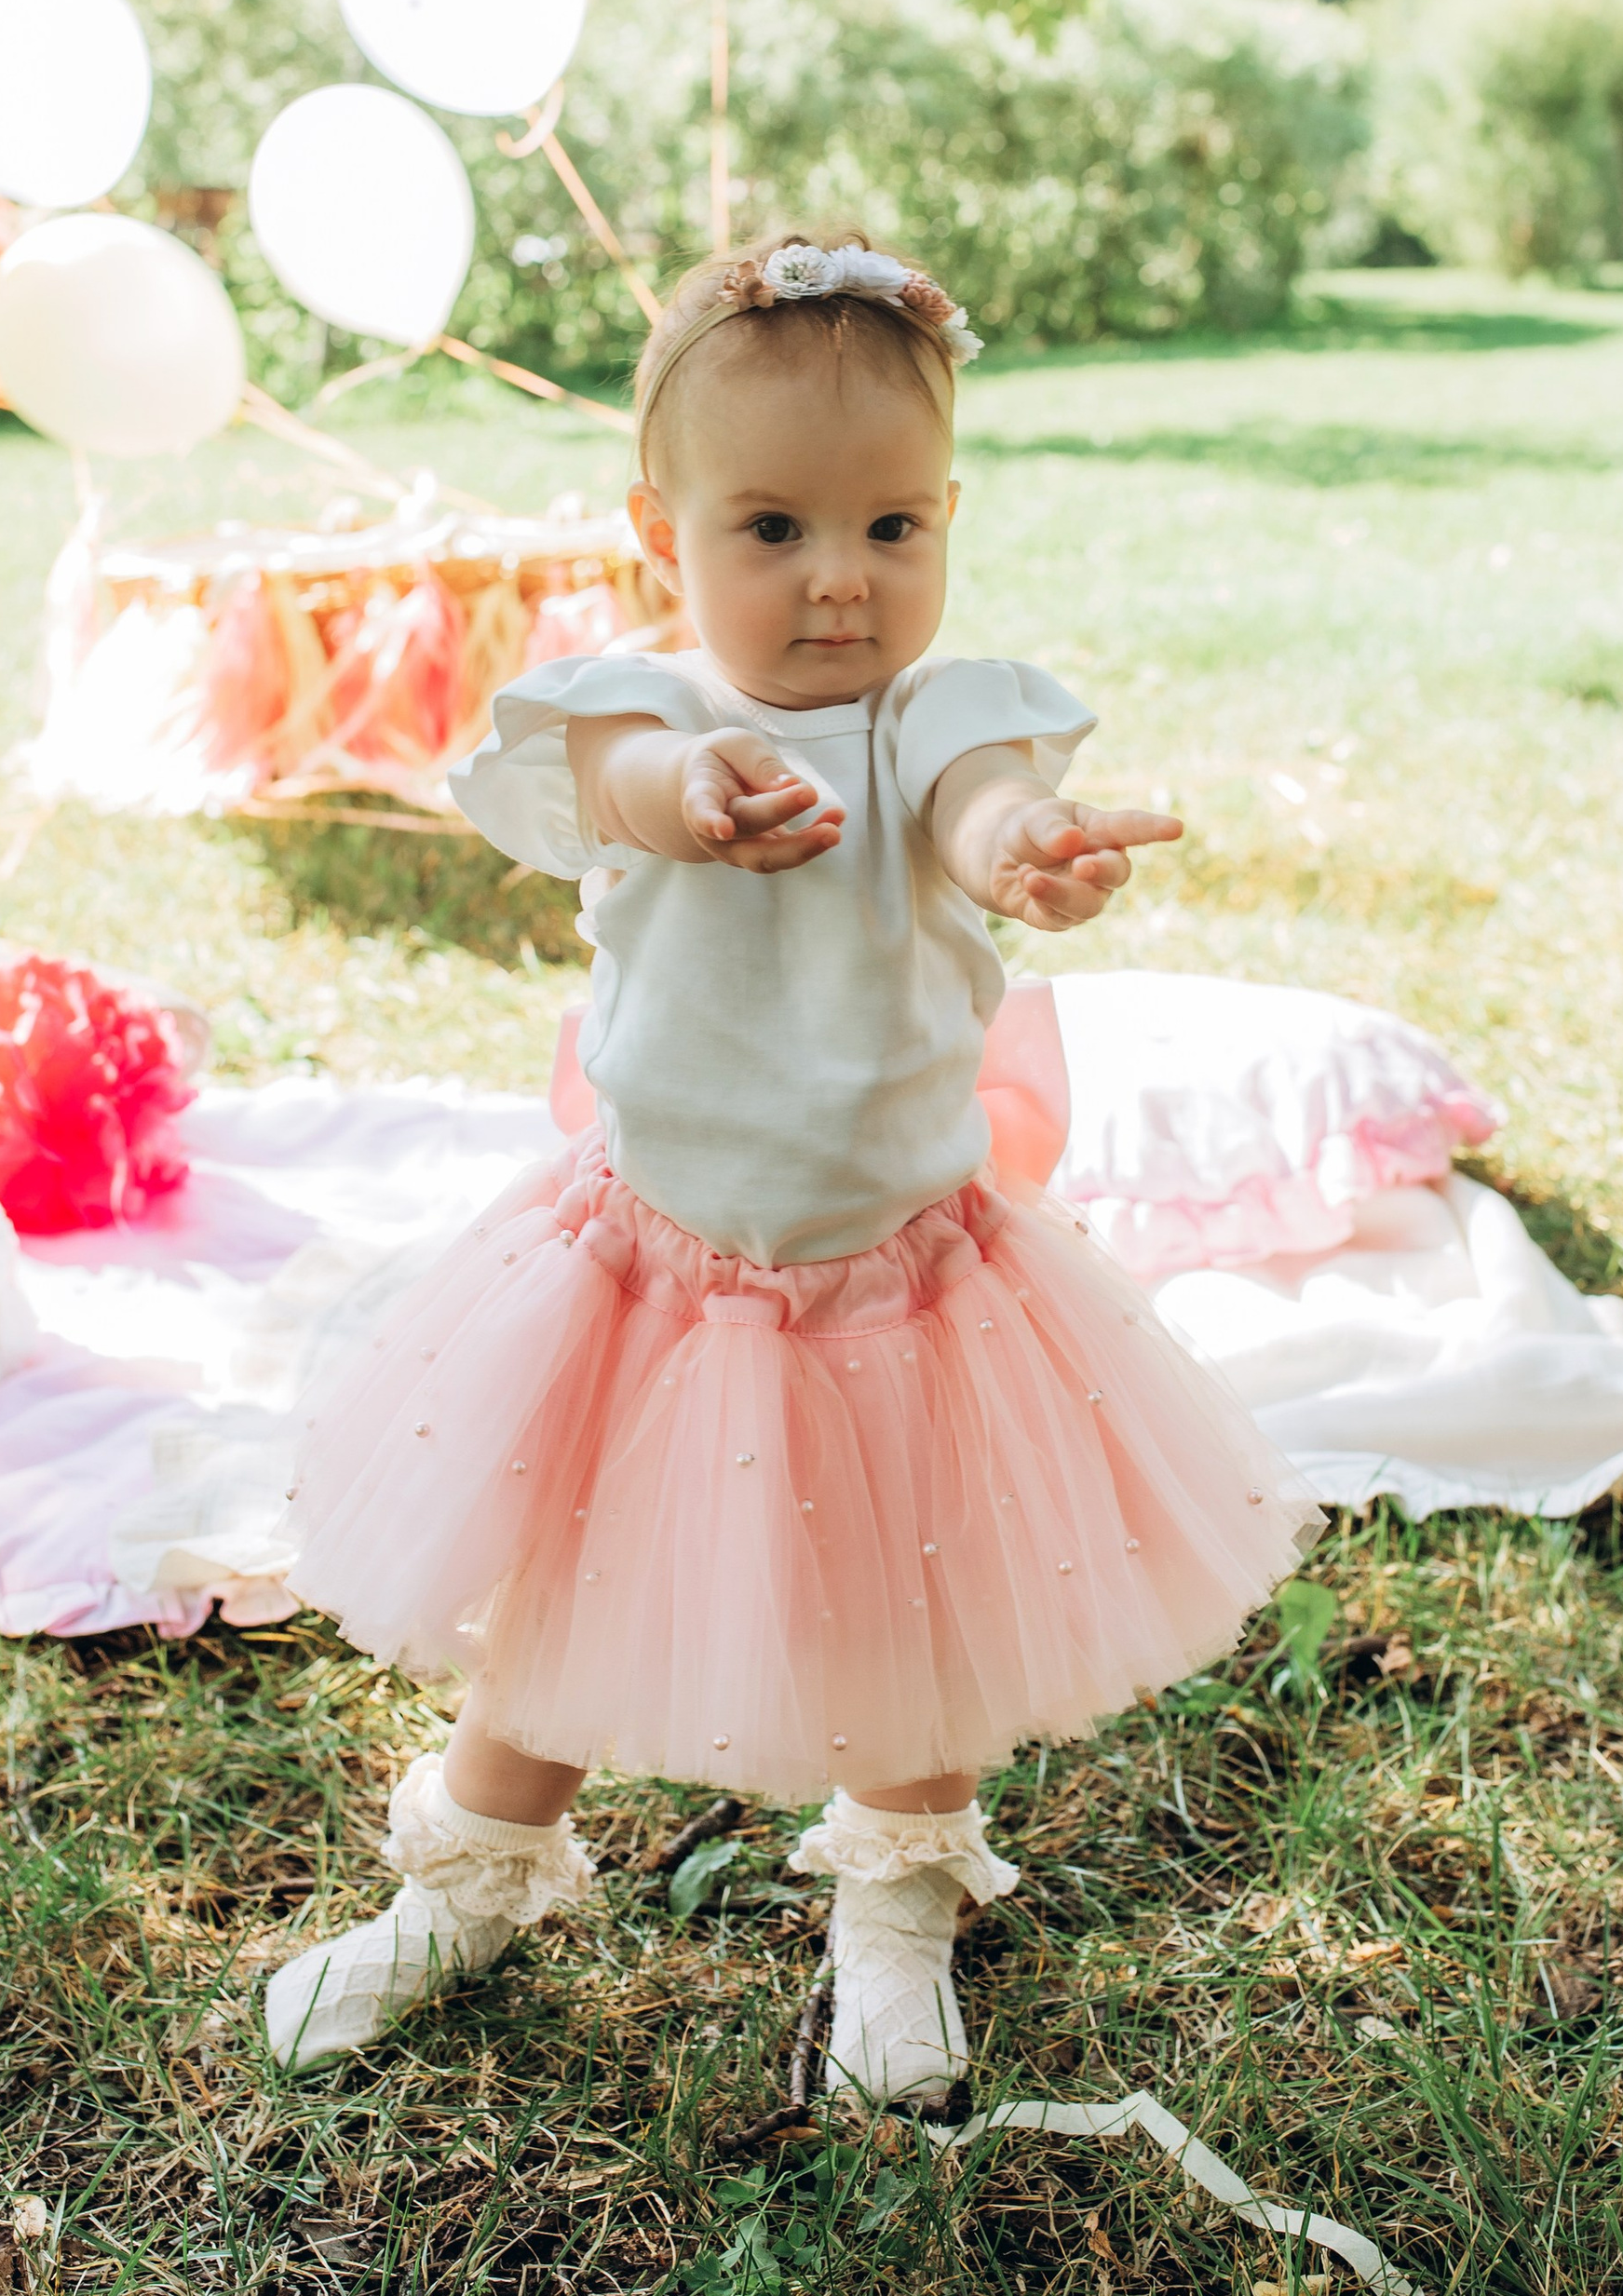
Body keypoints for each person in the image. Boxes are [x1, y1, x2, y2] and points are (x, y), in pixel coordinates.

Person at [267, 233, 1321, 2100]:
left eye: (891, 528)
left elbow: (977, 806)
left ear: (942, 520)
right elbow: (615, 789)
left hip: (896, 1273)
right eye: (771, 528)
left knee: (909, 1609)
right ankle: (477, 1874)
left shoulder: (941, 714)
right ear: (656, 523)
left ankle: (894, 1902)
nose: (839, 578)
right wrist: (696, 799)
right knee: (561, 1586)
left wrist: (1028, 850)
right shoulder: (638, 708)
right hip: (647, 1262)